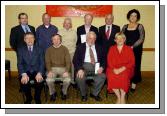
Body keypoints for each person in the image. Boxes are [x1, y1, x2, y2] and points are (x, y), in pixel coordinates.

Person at [73, 31, 106, 102]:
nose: (92, 40)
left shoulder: (99, 47)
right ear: (86, 38)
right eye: (90, 38)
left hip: (96, 66)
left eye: (94, 38)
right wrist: (79, 69)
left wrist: (102, 67)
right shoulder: (80, 46)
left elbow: (104, 59)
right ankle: (84, 94)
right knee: (79, 77)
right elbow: (75, 59)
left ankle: (94, 93)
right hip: (84, 66)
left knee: (102, 76)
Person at [106, 32, 135, 104]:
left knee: (124, 76)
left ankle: (122, 97)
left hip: (126, 68)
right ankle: (118, 97)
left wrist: (122, 68)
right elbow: (109, 61)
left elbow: (132, 62)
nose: (119, 40)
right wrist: (114, 69)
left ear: (124, 39)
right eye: (117, 38)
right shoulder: (111, 48)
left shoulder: (129, 49)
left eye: (121, 38)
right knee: (111, 76)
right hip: (113, 68)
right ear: (115, 40)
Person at [17, 32, 45, 104]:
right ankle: (29, 97)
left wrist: (40, 73)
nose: (30, 40)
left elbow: (42, 63)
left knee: (40, 81)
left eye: (31, 38)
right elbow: (20, 63)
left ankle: (37, 97)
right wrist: (23, 74)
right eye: (27, 38)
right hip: (26, 71)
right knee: (24, 82)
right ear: (24, 40)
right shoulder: (20, 49)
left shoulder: (40, 49)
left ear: (34, 39)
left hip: (37, 70)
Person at [122, 9, 145, 91]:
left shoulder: (140, 26)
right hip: (126, 51)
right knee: (127, 66)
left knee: (135, 66)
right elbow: (121, 38)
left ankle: (134, 83)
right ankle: (127, 81)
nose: (133, 17)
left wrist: (132, 47)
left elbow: (141, 39)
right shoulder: (125, 26)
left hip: (136, 50)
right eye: (131, 15)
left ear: (137, 17)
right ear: (129, 16)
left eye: (135, 16)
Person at [45, 34, 71, 101]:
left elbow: (68, 62)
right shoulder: (48, 50)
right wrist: (49, 71)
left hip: (63, 68)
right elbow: (47, 62)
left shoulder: (65, 49)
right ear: (52, 41)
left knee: (67, 80)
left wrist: (67, 71)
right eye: (54, 39)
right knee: (49, 80)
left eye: (58, 39)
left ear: (60, 40)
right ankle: (53, 93)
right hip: (52, 68)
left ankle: (63, 92)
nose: (56, 41)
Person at [58, 17, 77, 84]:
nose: (67, 24)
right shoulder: (59, 32)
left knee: (73, 65)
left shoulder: (74, 32)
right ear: (63, 24)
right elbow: (57, 43)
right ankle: (63, 80)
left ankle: (72, 80)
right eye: (65, 23)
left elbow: (76, 42)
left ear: (70, 24)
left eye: (68, 23)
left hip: (72, 52)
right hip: (63, 52)